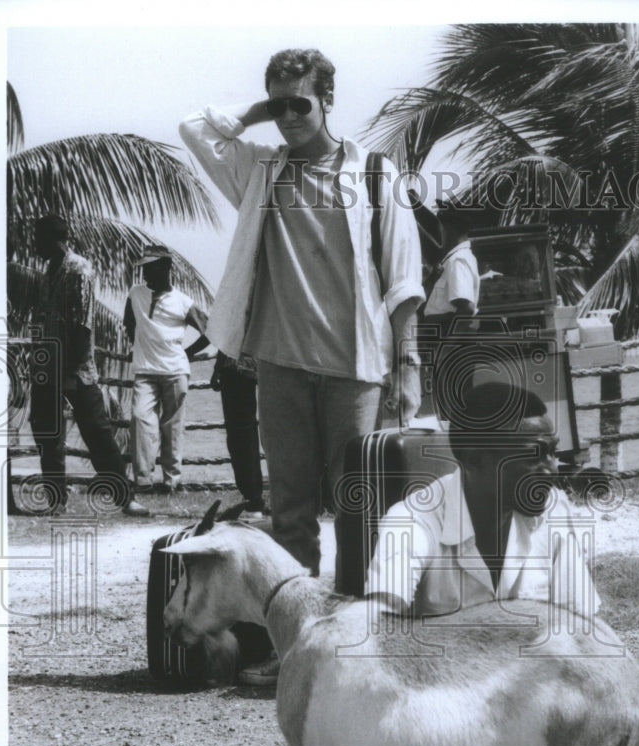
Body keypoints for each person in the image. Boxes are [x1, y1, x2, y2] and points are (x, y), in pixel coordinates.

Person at [180, 48, 424, 682]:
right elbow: (195, 128)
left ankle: (360, 646)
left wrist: (410, 361)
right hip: (280, 365)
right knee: (289, 512)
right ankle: (298, 652)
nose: (289, 116)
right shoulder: (260, 171)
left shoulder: (375, 173)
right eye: (278, 104)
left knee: (358, 507)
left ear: (328, 101)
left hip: (355, 366)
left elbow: (403, 279)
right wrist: (263, 108)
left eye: (301, 103)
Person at [366, 380, 600, 619]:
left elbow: (581, 624)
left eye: (553, 453)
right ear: (474, 460)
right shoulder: (411, 521)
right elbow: (377, 627)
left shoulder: (554, 510)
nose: (552, 470)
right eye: (534, 455)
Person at [27, 215, 148, 516]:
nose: (34, 245)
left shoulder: (78, 269)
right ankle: (56, 501)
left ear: (52, 238)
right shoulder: (48, 271)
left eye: (37, 239)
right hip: (47, 366)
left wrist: (69, 370)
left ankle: (126, 497)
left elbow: (83, 324)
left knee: (97, 433)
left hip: (77, 370)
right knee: (47, 434)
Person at [124, 245, 209, 494]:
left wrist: (188, 353)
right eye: (144, 268)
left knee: (172, 427)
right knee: (140, 419)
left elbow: (210, 330)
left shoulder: (183, 302)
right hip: (145, 370)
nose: (145, 273)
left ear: (166, 267)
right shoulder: (135, 294)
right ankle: (143, 481)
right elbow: (130, 324)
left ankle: (171, 482)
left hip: (175, 371)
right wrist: (139, 345)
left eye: (150, 267)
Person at [417, 200, 480, 418]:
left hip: (452, 343)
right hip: (447, 341)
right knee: (448, 405)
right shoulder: (453, 260)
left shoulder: (459, 260)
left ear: (450, 229)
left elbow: (465, 308)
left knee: (453, 408)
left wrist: (447, 347)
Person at [209, 350, 266, 518]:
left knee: (240, 434)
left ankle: (253, 498)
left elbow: (227, 336)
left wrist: (218, 367)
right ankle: (281, 497)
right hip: (270, 360)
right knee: (273, 432)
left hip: (237, 367)